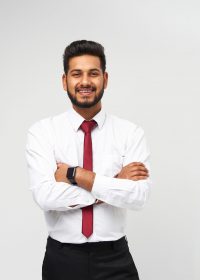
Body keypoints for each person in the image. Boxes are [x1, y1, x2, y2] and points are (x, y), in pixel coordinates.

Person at [26, 40, 151, 280]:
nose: (85, 82)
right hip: (62, 259)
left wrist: (77, 176)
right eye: (76, 74)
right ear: (65, 81)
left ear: (105, 79)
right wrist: (114, 183)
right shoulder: (42, 132)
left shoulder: (130, 133)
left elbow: (137, 197)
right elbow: (45, 196)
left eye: (93, 74)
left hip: (115, 259)